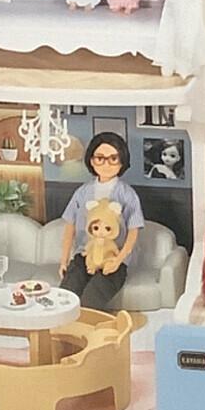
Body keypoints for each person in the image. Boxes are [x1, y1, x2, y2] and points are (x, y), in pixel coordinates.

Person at [57, 131, 143, 310]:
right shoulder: (82, 192)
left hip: (113, 257)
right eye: (100, 158)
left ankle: (88, 326)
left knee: (91, 299)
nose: (106, 164)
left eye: (113, 158)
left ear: (122, 161)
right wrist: (64, 261)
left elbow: (133, 231)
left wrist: (118, 260)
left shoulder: (127, 195)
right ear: (91, 160)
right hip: (85, 255)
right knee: (66, 297)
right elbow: (70, 227)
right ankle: (64, 326)